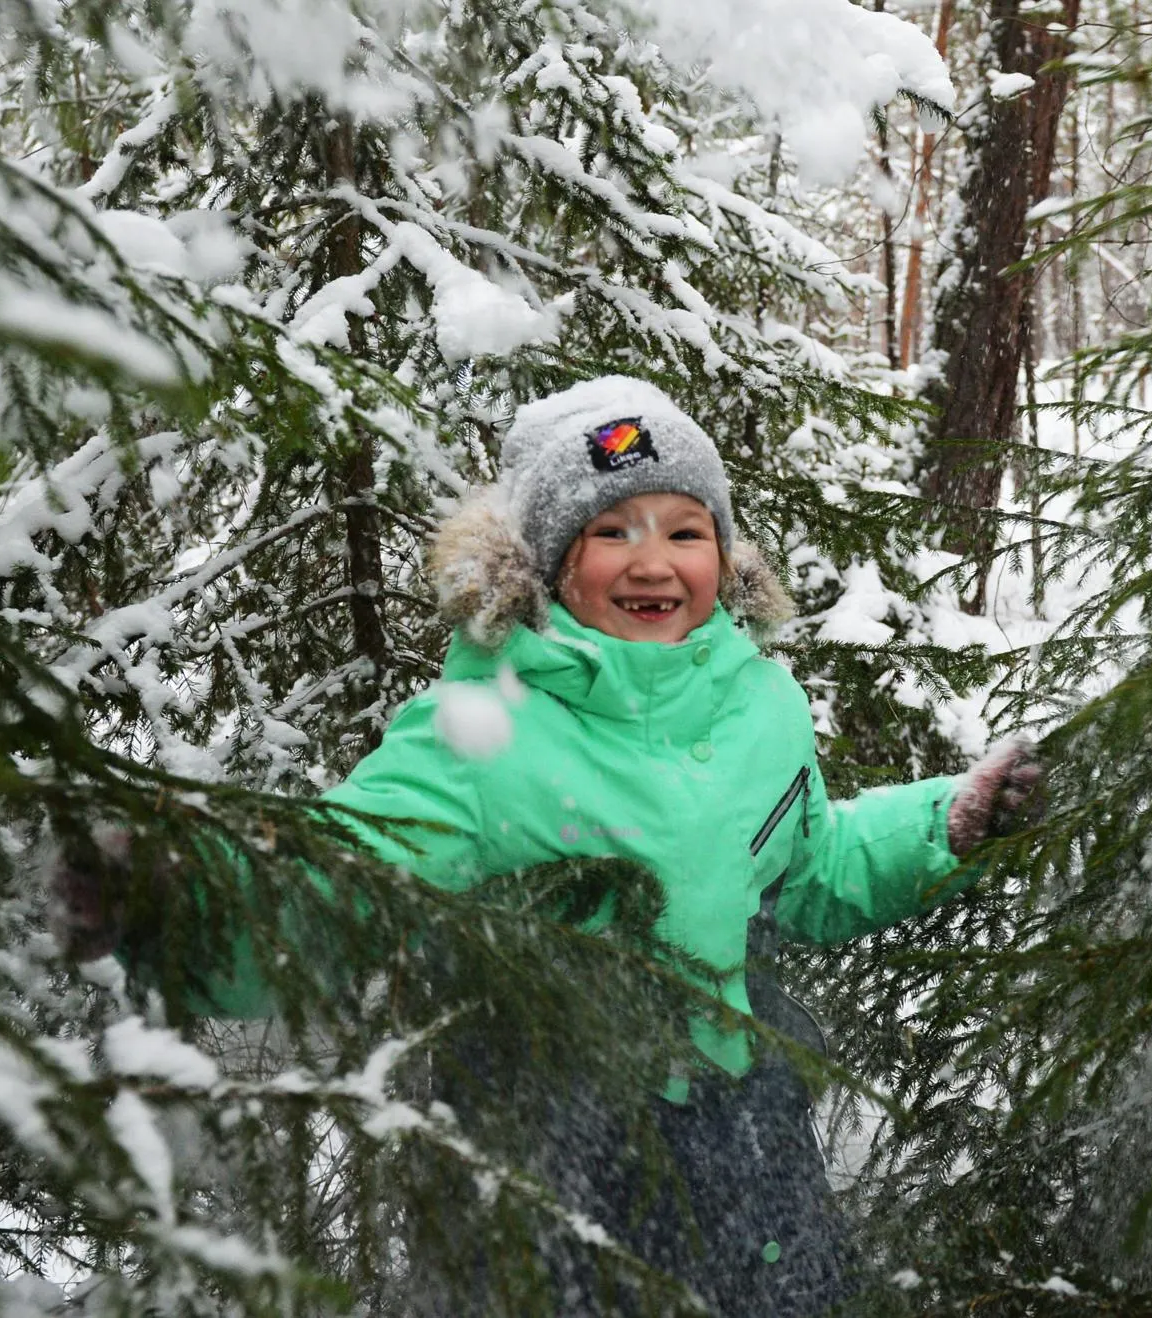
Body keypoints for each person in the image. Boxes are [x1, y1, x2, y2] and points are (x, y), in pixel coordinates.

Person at [54, 376, 1042, 1316]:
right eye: (611, 531)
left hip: (754, 1137)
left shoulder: (760, 703)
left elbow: (810, 869)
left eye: (685, 530)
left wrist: (941, 824)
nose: (653, 562)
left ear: (725, 554)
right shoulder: (480, 734)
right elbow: (346, 882)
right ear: (544, 564)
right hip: (561, 1161)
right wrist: (182, 900)